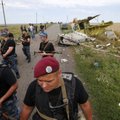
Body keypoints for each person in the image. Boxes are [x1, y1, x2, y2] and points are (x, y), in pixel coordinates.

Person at [20, 57, 92, 120]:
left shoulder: (74, 84)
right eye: (40, 80)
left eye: (49, 81)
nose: (44, 86)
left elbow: (85, 105)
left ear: (59, 74)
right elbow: (27, 108)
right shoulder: (33, 86)